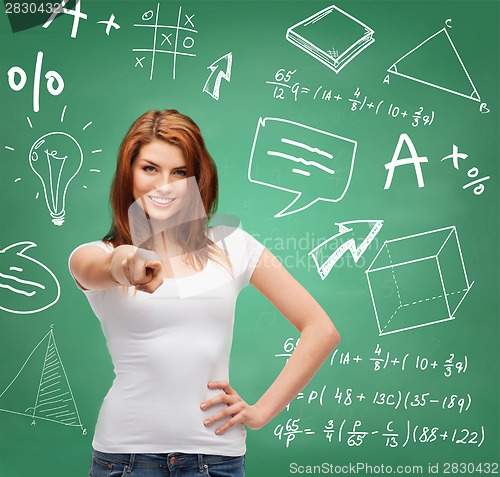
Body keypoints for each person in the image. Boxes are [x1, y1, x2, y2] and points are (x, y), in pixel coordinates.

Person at [69, 109, 340, 477]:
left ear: (197, 179)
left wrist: (260, 413)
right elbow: (100, 267)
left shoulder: (234, 247)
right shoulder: (95, 254)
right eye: (150, 168)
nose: (164, 185)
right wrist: (127, 263)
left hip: (216, 459)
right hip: (125, 459)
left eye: (179, 172)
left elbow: (321, 329)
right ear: (128, 174)